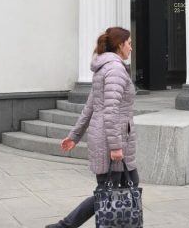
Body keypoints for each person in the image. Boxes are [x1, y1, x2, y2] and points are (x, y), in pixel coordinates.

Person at [47, 27, 138, 228]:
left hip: (110, 137)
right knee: (108, 192)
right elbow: (111, 111)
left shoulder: (103, 68)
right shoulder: (115, 70)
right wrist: (116, 147)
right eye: (129, 44)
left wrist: (74, 136)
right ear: (119, 45)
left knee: (123, 187)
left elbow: (90, 106)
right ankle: (64, 226)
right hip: (112, 140)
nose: (131, 48)